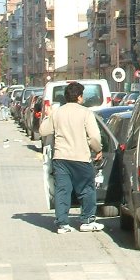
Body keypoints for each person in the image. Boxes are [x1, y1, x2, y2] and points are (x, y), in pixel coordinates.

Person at [39, 81, 104, 234]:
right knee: (86, 189)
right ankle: (87, 220)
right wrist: (98, 150)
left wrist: (47, 117)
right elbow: (94, 137)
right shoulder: (86, 113)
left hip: (60, 158)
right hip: (81, 157)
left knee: (63, 190)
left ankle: (62, 224)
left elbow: (42, 131)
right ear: (80, 97)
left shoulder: (57, 113)